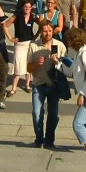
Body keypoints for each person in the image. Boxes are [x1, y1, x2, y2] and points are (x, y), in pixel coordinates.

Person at [59, 27, 86, 154]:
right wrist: (57, 64)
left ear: (74, 40)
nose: (67, 42)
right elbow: (71, 72)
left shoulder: (85, 54)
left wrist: (82, 94)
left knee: (78, 123)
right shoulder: (78, 53)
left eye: (69, 40)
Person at [27, 19, 66, 148]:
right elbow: (28, 68)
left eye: (50, 31)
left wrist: (58, 63)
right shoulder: (34, 46)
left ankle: (49, 140)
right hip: (38, 84)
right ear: (41, 32)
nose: (47, 33)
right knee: (37, 113)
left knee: (53, 115)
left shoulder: (59, 46)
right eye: (44, 31)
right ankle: (39, 139)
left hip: (54, 85)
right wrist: (36, 64)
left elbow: (66, 68)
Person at [4, 0, 35, 96]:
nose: (27, 9)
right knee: (17, 65)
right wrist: (10, 38)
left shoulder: (33, 17)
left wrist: (37, 35)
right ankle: (13, 88)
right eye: (25, 7)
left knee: (28, 64)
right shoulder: (16, 16)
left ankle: (27, 84)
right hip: (19, 44)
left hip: (29, 43)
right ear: (22, 7)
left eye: (29, 7)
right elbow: (5, 25)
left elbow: (42, 24)